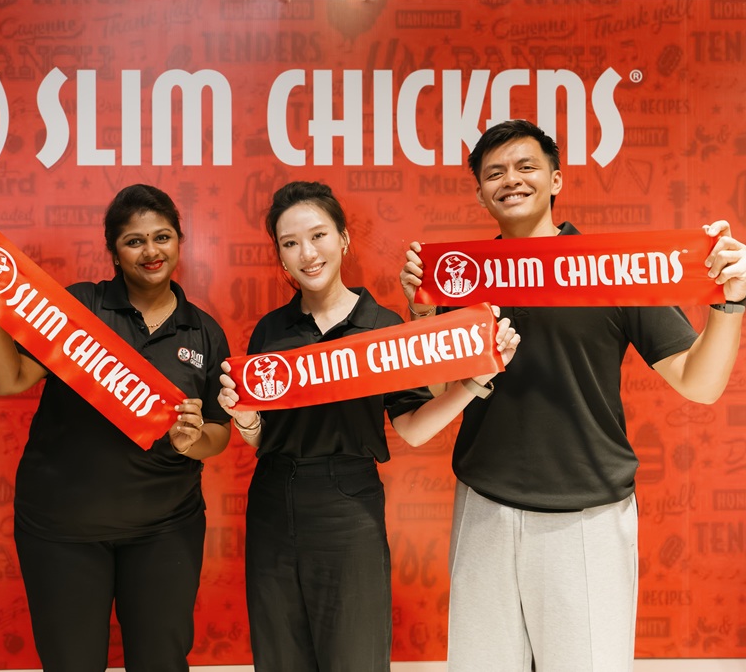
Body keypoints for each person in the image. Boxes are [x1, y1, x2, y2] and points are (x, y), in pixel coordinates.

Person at [399, 119, 746, 672]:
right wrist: (422, 314)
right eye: (494, 173)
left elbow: (698, 382)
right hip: (484, 508)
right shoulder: (463, 278)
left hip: (585, 517)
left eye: (525, 167)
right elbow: (442, 394)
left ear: (556, 179)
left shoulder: (609, 266)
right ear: (479, 193)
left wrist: (728, 305)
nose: (510, 181)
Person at [215, 181, 520, 672]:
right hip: (272, 501)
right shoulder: (271, 330)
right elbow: (261, 439)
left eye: (318, 236)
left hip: (346, 505)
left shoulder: (381, 328)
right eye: (290, 244)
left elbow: (414, 428)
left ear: (344, 239)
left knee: (354, 656)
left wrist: (474, 382)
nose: (307, 254)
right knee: (279, 656)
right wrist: (246, 419)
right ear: (280, 254)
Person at [0, 184, 232, 672]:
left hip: (165, 530)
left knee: (162, 662)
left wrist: (192, 440)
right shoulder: (80, 309)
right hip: (62, 532)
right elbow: (6, 378)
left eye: (162, 237)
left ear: (180, 242)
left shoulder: (204, 331)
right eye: (134, 241)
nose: (151, 251)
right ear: (114, 252)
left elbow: (219, 433)